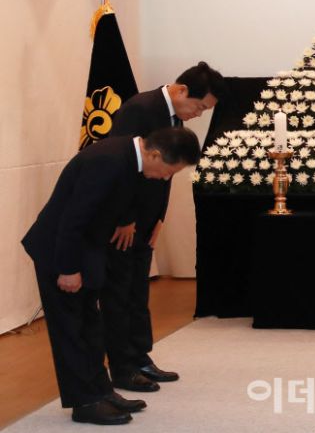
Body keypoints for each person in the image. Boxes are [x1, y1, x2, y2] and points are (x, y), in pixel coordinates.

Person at [22, 127, 201, 425]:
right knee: (71, 329)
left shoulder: (129, 159)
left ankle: (101, 391)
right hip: (60, 250)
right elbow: (73, 218)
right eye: (169, 172)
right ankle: (85, 402)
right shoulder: (108, 160)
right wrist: (68, 269)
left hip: (89, 247)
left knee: (91, 325)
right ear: (155, 154)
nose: (165, 179)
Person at [102, 61, 224, 393]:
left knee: (137, 292)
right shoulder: (141, 109)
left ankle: (140, 357)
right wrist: (125, 218)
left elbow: (165, 177)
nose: (198, 114)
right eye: (198, 107)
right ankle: (122, 367)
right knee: (119, 294)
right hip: (123, 223)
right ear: (182, 90)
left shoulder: (173, 117)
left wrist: (158, 220)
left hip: (145, 222)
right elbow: (120, 166)